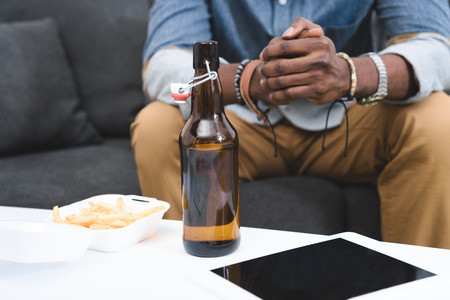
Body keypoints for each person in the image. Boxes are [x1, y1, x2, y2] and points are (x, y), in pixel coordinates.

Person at [131, 0, 450, 248]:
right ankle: (186, 286)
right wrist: (250, 78)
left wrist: (349, 74)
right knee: (158, 126)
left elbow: (437, 49)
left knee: (439, 119)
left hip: (348, 124)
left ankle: (423, 286)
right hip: (237, 125)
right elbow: (162, 63)